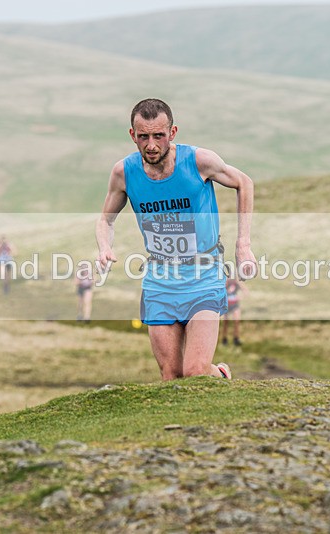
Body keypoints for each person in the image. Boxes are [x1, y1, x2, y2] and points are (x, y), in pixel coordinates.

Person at [96, 98, 257, 381]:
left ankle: (219, 373)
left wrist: (243, 245)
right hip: (160, 278)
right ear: (132, 135)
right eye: (143, 137)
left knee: (194, 372)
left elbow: (244, 183)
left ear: (172, 132)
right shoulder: (124, 173)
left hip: (203, 274)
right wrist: (104, 247)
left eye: (159, 135)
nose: (151, 145)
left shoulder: (198, 161)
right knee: (171, 375)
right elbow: (105, 220)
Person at [220, 276, 247, 346]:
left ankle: (236, 338)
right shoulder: (226, 283)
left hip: (235, 305)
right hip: (227, 305)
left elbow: (245, 291)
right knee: (226, 323)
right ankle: (224, 339)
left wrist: (239, 297)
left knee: (236, 322)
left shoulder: (237, 283)